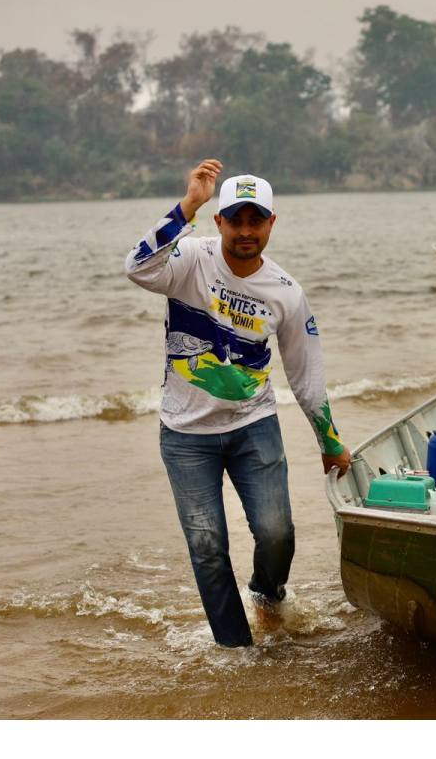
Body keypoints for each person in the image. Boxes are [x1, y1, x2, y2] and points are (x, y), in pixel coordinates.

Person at [124, 159, 351, 648]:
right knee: (207, 547)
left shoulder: (286, 292)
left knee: (277, 534)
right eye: (236, 219)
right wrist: (188, 204)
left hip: (255, 425)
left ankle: (268, 597)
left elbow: (305, 373)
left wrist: (329, 441)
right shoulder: (188, 259)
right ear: (219, 221)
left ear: (271, 224)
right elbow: (137, 267)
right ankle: (234, 648)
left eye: (256, 220)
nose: (246, 231)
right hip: (185, 435)